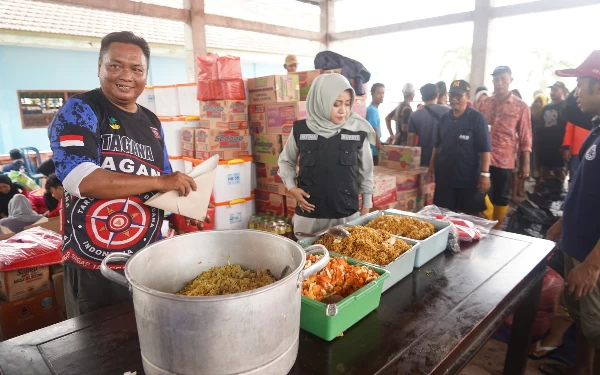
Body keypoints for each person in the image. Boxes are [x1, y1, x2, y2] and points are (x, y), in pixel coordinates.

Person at [48, 31, 208, 318]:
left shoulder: (150, 121)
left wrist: (185, 208)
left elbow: (163, 181)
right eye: (115, 65)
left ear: (146, 74)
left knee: (144, 340)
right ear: (99, 66)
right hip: (97, 268)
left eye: (137, 69)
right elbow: (79, 179)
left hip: (146, 263)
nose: (126, 76)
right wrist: (161, 181)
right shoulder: (81, 110)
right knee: (98, 353)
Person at [542, 50, 600, 375]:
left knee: (598, 326)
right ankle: (579, 369)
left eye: (581, 84)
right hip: (576, 245)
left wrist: (593, 265)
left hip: (592, 255)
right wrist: (565, 220)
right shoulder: (596, 131)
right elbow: (586, 186)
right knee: (583, 321)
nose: (576, 92)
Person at [278, 73, 375, 238]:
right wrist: (292, 187)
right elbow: (286, 161)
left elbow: (366, 171)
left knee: (344, 262)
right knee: (310, 259)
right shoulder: (301, 130)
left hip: (346, 215)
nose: (343, 110)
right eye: (336, 104)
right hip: (309, 216)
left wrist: (366, 205)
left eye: (347, 103)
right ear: (320, 101)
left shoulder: (357, 131)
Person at [479, 66, 532, 228]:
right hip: (483, 159)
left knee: (501, 196)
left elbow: (525, 136)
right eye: (496, 79)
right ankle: (485, 224)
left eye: (503, 79)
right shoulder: (485, 104)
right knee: (481, 193)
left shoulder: (520, 106)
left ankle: (496, 228)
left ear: (511, 81)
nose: (499, 83)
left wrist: (525, 162)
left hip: (505, 160)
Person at [428, 80, 491, 215]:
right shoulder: (444, 119)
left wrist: (485, 174)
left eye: (459, 96)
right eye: (452, 95)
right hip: (445, 178)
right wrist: (432, 165)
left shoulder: (477, 119)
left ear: (467, 97)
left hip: (468, 180)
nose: (454, 99)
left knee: (469, 218)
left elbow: (485, 150)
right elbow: (437, 145)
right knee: (443, 214)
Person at [408, 83, 450, 167]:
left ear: (422, 98)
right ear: (437, 95)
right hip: (443, 160)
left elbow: (410, 146)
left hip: (423, 160)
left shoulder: (414, 115)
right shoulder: (449, 112)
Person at [538, 82, 569, 183]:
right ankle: (547, 191)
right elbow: (541, 125)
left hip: (559, 144)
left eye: (556, 90)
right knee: (545, 169)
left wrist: (565, 145)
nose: (552, 92)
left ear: (563, 91)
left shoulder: (566, 107)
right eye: (552, 90)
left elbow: (568, 127)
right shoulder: (546, 108)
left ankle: (563, 191)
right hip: (546, 144)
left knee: (558, 170)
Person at [563, 121, 591, 186]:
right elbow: (569, 131)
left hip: (593, 150)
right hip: (577, 151)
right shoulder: (574, 113)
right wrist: (566, 147)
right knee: (575, 176)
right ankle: (573, 195)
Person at [531, 93, 549, 183]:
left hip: (545, 142)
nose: (538, 104)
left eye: (540, 102)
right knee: (535, 163)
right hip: (534, 142)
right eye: (536, 101)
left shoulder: (546, 112)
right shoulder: (530, 112)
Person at [366, 83, 384, 165]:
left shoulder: (374, 109)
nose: (381, 95)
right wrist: (378, 147)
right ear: (372, 94)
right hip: (373, 151)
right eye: (379, 93)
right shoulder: (372, 110)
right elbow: (373, 129)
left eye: (383, 93)